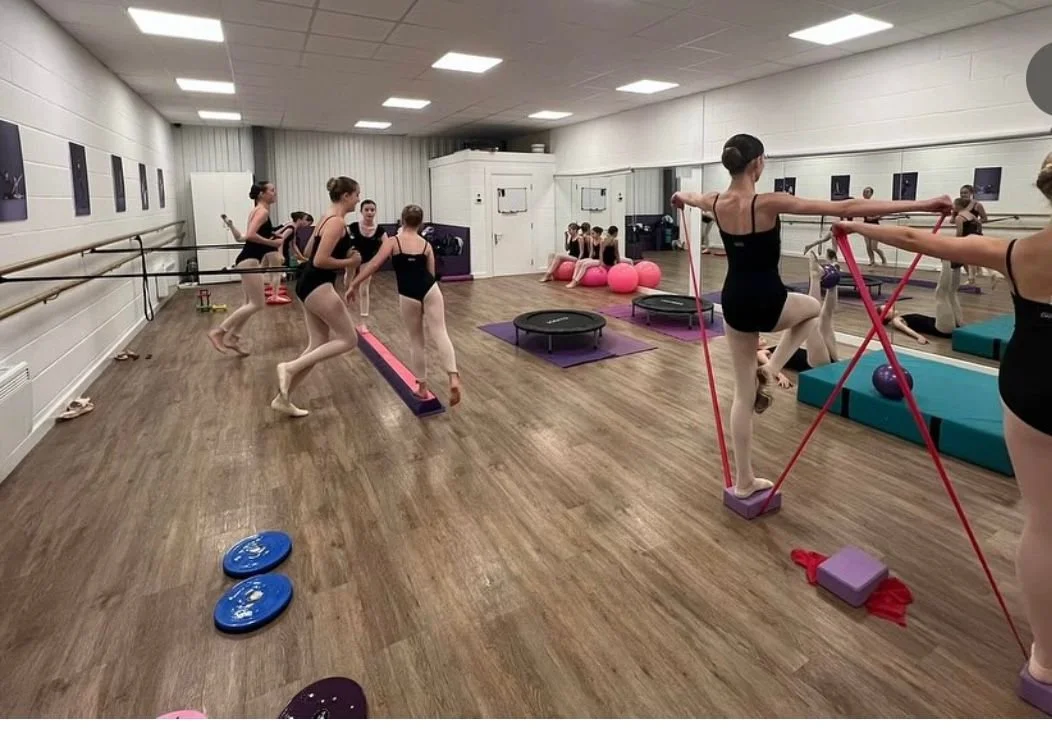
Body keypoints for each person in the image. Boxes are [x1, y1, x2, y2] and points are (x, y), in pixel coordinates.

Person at [832, 151, 1052, 693]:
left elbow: (920, 242)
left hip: (1031, 389)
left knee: (1044, 523)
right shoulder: (1014, 247)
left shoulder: (1022, 251)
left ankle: (1046, 658)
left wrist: (853, 223)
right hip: (1029, 391)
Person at [672, 133, 951, 499]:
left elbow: (692, 198)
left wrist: (680, 197)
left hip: (734, 302)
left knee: (742, 396)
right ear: (758, 163)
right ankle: (770, 370)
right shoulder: (769, 202)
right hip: (769, 301)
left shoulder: (716, 200)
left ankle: (743, 481)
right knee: (813, 309)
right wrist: (927, 203)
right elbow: (845, 207)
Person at [347, 204, 462, 406]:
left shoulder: (393, 242)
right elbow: (431, 272)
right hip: (430, 289)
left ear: (402, 220)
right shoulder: (426, 245)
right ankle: (453, 376)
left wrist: (354, 285)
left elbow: (373, 264)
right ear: (421, 222)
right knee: (441, 332)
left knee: (417, 341)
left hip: (408, 294)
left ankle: (423, 388)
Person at [274, 177, 362, 417]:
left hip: (309, 282)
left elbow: (310, 251)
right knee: (349, 339)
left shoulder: (325, 218)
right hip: (318, 284)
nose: (358, 199)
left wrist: (342, 251)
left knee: (318, 344)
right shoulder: (336, 223)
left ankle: (284, 397)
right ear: (346, 196)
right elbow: (320, 260)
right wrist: (350, 261)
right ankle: (289, 367)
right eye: (356, 195)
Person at [208, 181, 287, 355]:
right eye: (272, 190)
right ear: (261, 194)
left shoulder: (258, 211)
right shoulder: (262, 211)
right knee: (257, 304)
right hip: (249, 261)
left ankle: (233, 337)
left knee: (248, 304)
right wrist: (273, 242)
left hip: (249, 260)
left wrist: (272, 234)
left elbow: (255, 233)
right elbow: (251, 235)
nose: (275, 193)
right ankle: (219, 332)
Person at [757, 251, 840, 385]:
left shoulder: (780, 349)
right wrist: (779, 376)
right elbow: (765, 362)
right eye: (758, 338)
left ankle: (832, 281)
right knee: (815, 321)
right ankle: (816, 278)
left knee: (825, 318)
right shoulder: (761, 352)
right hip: (815, 366)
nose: (760, 337)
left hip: (829, 358)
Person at [877, 260, 960, 345]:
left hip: (947, 324)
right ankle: (946, 261)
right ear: (885, 316)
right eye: (887, 309)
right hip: (942, 329)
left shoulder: (902, 317)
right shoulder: (895, 320)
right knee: (941, 294)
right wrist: (918, 337)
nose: (891, 307)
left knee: (951, 293)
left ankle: (956, 266)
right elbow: (905, 329)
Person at [346, 200, 387, 333]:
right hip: (351, 259)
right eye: (367, 210)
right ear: (361, 211)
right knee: (348, 283)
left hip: (367, 261)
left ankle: (363, 322)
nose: (369, 212)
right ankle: (347, 315)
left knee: (364, 290)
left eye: (372, 210)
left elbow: (387, 247)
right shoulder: (352, 227)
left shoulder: (380, 231)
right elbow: (342, 242)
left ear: (375, 212)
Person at [860, 186, 888, 266]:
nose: (865, 193)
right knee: (868, 246)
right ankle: (872, 261)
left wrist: (877, 217)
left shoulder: (875, 204)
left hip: (875, 226)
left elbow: (880, 213)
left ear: (871, 194)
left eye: (867, 192)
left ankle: (883, 258)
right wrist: (876, 217)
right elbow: (867, 218)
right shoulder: (862, 204)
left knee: (874, 247)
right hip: (866, 225)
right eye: (864, 191)